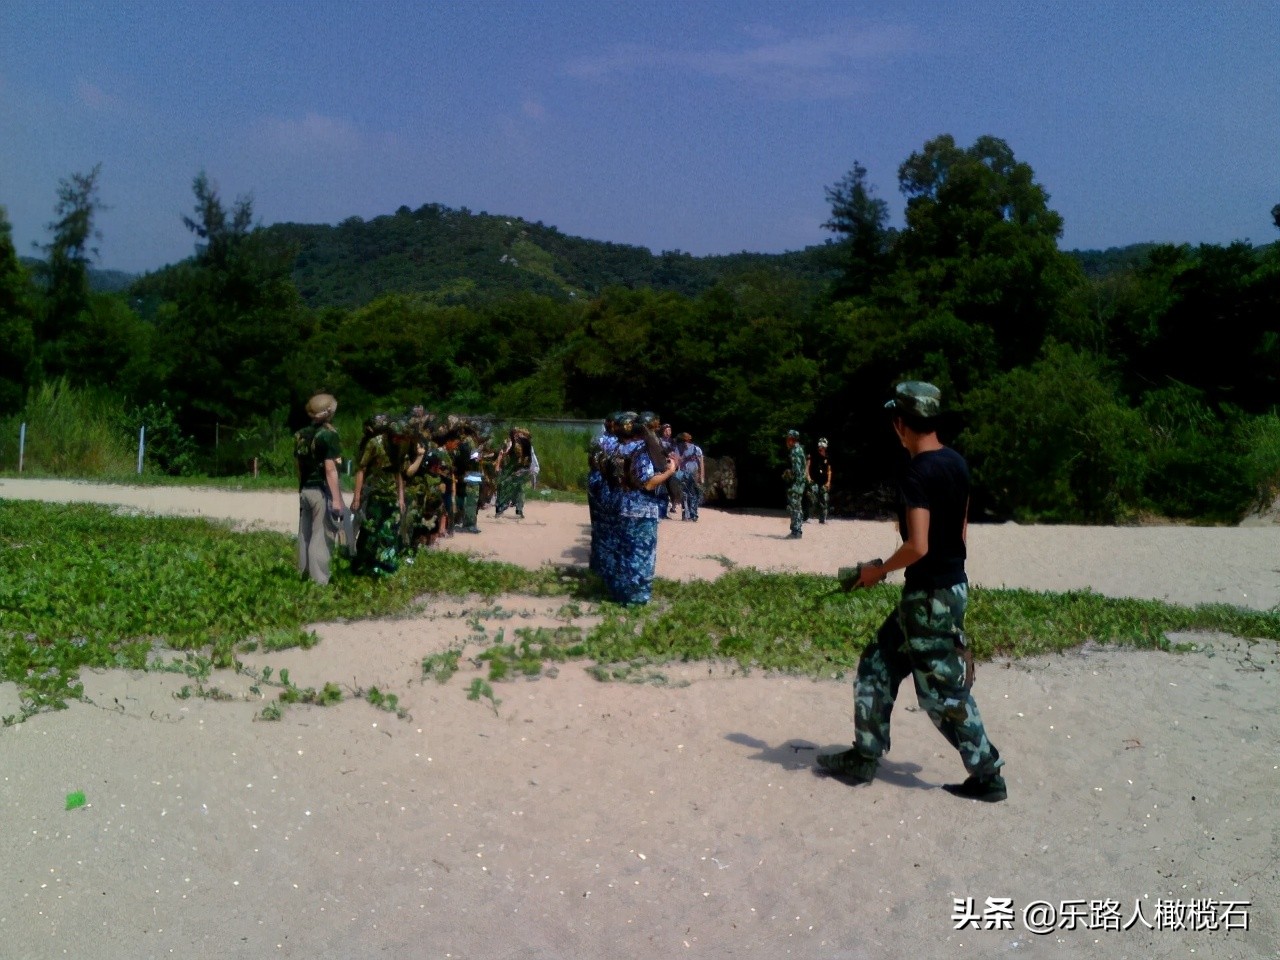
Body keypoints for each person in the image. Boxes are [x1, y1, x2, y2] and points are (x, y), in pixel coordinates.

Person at [817, 382, 1006, 802]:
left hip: (928, 598)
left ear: (901, 424)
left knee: (941, 693)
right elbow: (959, 529)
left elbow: (917, 546)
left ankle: (987, 774)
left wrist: (877, 571)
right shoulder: (956, 463)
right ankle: (864, 756)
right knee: (876, 666)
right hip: (948, 587)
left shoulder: (917, 473)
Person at [609, 413, 679, 604]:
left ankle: (621, 594)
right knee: (642, 554)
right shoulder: (642, 449)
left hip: (623, 505)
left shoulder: (619, 446)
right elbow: (648, 483)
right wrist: (669, 471)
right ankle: (636, 599)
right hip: (641, 509)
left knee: (626, 552)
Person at [294, 392, 344, 586]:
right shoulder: (328, 435)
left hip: (305, 488)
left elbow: (298, 466)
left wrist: (301, 487)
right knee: (320, 535)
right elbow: (330, 469)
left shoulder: (300, 435)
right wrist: (337, 499)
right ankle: (320, 580)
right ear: (329, 412)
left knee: (304, 534)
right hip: (321, 490)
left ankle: (304, 574)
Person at [351, 414, 405, 575]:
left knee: (390, 531)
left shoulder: (399, 446)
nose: (398, 440)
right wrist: (357, 496)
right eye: (395, 437)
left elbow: (398, 473)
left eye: (400, 438)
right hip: (375, 493)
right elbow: (361, 469)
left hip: (390, 496)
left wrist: (401, 497)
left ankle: (384, 564)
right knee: (369, 530)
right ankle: (361, 563)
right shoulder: (375, 443)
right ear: (388, 434)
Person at [494, 427, 534, 519]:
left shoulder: (525, 444)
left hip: (518, 469)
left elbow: (528, 459)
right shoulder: (510, 442)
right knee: (508, 487)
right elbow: (502, 453)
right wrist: (498, 465)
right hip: (510, 469)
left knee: (515, 488)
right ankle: (504, 507)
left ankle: (509, 508)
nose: (519, 436)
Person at [675, 432, 704, 521]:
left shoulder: (696, 449)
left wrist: (701, 475)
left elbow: (701, 463)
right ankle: (685, 514)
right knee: (685, 494)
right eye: (682, 441)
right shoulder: (678, 449)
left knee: (695, 493)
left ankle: (694, 513)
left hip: (694, 473)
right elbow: (677, 462)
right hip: (683, 473)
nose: (684, 443)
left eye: (685, 441)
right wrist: (682, 456)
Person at [784, 429, 806, 538]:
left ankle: (796, 531)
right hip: (800, 483)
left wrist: (789, 475)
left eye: (788, 439)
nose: (786, 442)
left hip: (797, 484)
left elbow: (797, 471)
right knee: (797, 506)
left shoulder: (795, 451)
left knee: (795, 506)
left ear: (792, 439)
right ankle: (797, 530)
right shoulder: (799, 449)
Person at [807, 437, 833, 524]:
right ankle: (809, 516)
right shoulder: (813, 454)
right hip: (814, 480)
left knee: (824, 499)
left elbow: (829, 471)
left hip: (823, 481)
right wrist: (808, 478)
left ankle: (823, 519)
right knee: (812, 499)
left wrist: (828, 482)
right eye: (820, 445)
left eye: (823, 445)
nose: (821, 447)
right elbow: (807, 466)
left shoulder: (827, 457)